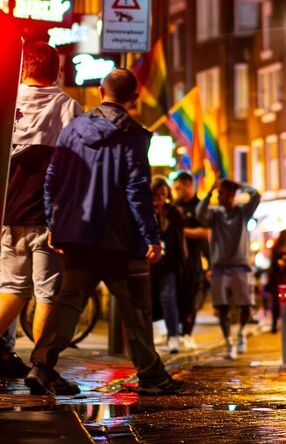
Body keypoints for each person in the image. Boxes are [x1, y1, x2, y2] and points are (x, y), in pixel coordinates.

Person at [24, 68, 182, 397]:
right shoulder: (133, 134)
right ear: (134, 98)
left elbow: (53, 176)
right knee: (136, 307)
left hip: (77, 232)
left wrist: (55, 222)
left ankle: (41, 366)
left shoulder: (74, 127)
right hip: (119, 238)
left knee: (68, 302)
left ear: (99, 91)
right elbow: (137, 189)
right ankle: (151, 374)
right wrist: (151, 236)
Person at [0, 40, 83, 378]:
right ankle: (41, 365)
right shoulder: (67, 107)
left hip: (8, 212)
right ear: (56, 70)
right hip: (48, 218)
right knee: (48, 291)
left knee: (11, 289)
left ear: (24, 68)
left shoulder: (8, 100)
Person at [196, 177, 261, 359]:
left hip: (240, 266)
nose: (221, 196)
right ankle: (228, 342)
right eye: (220, 193)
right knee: (221, 308)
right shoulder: (215, 214)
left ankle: (240, 333)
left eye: (225, 193)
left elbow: (256, 196)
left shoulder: (242, 211)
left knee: (246, 306)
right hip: (219, 268)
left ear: (232, 194)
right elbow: (199, 214)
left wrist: (241, 186)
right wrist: (209, 192)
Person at [172, 170, 210, 350]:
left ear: (188, 185)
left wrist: (182, 232)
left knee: (190, 297)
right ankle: (176, 332)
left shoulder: (199, 206)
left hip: (193, 260)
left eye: (179, 188)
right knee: (175, 296)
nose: (177, 191)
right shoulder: (175, 205)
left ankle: (187, 332)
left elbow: (205, 232)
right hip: (176, 259)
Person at [150, 176, 187, 354]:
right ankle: (150, 337)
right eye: (156, 195)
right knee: (147, 300)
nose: (159, 199)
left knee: (168, 298)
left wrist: (183, 262)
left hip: (169, 263)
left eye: (162, 195)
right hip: (149, 264)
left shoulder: (173, 213)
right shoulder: (146, 211)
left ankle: (173, 336)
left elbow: (180, 238)